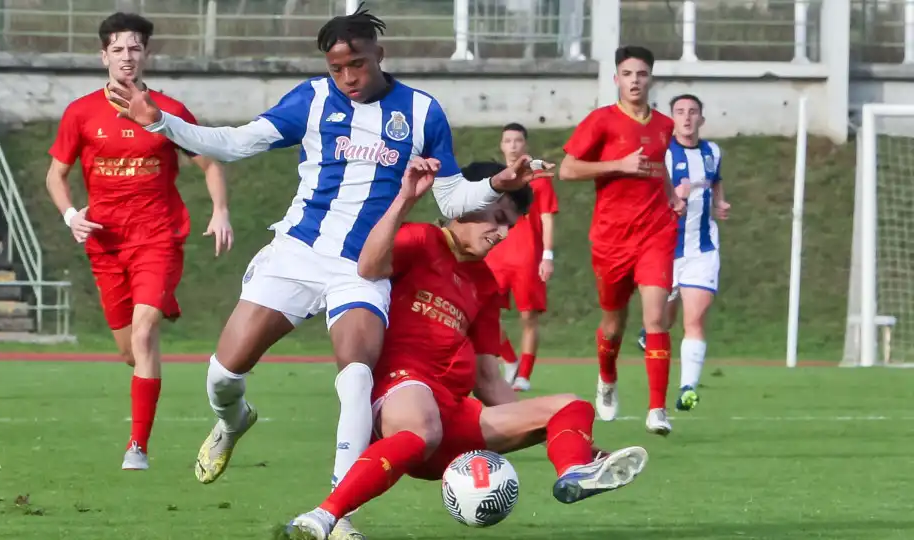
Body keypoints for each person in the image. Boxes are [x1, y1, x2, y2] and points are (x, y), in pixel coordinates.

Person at [107, 5, 533, 534]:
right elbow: (238, 143)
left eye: (357, 63)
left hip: (362, 269)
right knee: (224, 374)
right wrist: (163, 123)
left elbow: (450, 198)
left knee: (355, 380)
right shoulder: (311, 99)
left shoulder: (422, 112)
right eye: (337, 68)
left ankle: (338, 510)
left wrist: (497, 185)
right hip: (298, 254)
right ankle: (234, 418)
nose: (348, 77)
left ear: (381, 54)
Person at [286, 161, 649, 540]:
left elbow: (489, 379)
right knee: (422, 427)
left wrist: (562, 433)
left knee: (572, 407)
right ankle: (323, 517)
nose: (503, 233)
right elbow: (369, 266)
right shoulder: (422, 240)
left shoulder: (486, 284)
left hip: (455, 416)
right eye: (497, 217)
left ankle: (575, 470)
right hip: (401, 396)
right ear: (468, 202)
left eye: (510, 225)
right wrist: (404, 200)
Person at [45, 12, 233, 471]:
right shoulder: (81, 113)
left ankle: (138, 448)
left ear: (146, 54)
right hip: (106, 245)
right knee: (132, 351)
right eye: (118, 49)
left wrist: (220, 210)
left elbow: (207, 161)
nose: (126, 56)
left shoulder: (167, 111)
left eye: (134, 48)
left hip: (158, 238)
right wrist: (71, 214)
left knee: (145, 331)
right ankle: (149, 340)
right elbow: (56, 174)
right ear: (103, 55)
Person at [558, 45, 687, 436]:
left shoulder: (664, 126)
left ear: (651, 79)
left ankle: (657, 409)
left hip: (656, 233)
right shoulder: (600, 121)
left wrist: (671, 195)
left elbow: (657, 167)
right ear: (616, 79)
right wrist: (618, 164)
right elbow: (567, 169)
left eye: (642, 74)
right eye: (628, 74)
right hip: (611, 238)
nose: (635, 80)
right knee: (613, 325)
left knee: (655, 317)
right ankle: (607, 377)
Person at [635, 94, 730, 412]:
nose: (687, 117)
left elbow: (715, 182)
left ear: (702, 118)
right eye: (680, 112)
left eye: (693, 112)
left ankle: (688, 387)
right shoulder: (660, 154)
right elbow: (644, 197)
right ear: (671, 118)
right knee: (663, 318)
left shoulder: (713, 152)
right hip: (663, 248)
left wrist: (720, 203)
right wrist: (673, 195)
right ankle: (651, 331)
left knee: (696, 318)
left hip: (702, 248)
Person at [486, 123, 559, 391]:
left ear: (525, 145)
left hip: (528, 256)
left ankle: (524, 375)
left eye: (518, 140)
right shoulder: (494, 179)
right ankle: (509, 360)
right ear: (502, 145)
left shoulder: (539, 178)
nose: (513, 145)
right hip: (496, 257)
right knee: (486, 314)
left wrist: (548, 256)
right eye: (508, 140)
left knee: (529, 317)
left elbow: (547, 217)